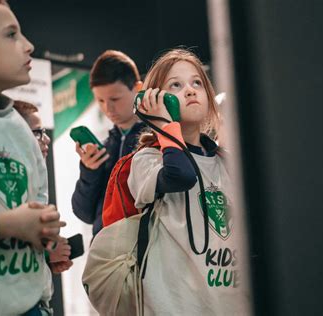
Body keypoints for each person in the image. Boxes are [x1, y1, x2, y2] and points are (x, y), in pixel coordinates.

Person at [128, 48, 249, 314]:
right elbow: (180, 175)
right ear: (153, 99)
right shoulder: (147, 160)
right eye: (176, 85)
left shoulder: (225, 162)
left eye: (197, 83)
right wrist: (165, 124)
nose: (190, 91)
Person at [0, 0, 66, 314]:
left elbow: (39, 199)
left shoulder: (19, 128)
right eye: (11, 35)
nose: (28, 46)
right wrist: (4, 226)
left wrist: (45, 233)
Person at [71, 50, 147, 236]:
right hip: (104, 252)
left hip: (143, 251)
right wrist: (89, 171)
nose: (108, 108)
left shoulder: (157, 140)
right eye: (100, 100)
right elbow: (85, 213)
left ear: (138, 89)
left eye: (115, 99)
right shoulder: (104, 147)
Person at [13, 100, 73, 274]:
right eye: (37, 132)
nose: (46, 139)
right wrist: (44, 255)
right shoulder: (8, 186)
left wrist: (45, 264)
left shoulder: (33, 178)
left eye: (44, 132)